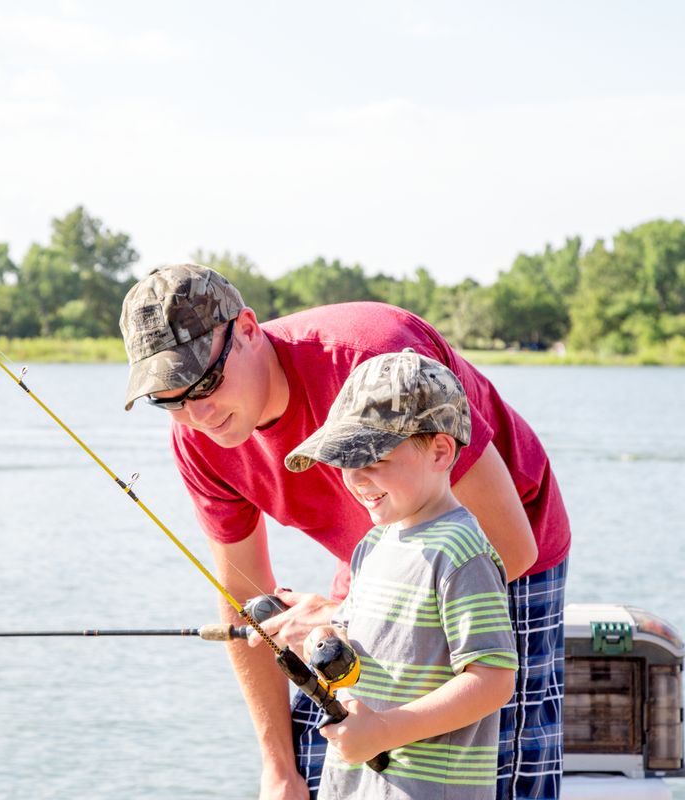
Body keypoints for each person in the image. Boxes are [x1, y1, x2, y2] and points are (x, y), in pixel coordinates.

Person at [119, 264, 570, 800]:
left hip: (498, 544)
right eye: (169, 399)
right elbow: (245, 594)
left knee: (482, 767)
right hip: (376, 551)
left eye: (207, 382)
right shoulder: (198, 439)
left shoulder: (374, 360)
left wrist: (343, 614)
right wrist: (278, 768)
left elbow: (510, 549)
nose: (199, 413)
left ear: (246, 328)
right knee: (332, 753)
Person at [287, 349, 518, 799]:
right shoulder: (373, 544)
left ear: (439, 451)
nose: (356, 480)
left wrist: (386, 730)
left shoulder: (460, 553)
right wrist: (325, 640)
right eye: (345, 463)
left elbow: (493, 680)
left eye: (373, 460)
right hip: (358, 784)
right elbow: (354, 637)